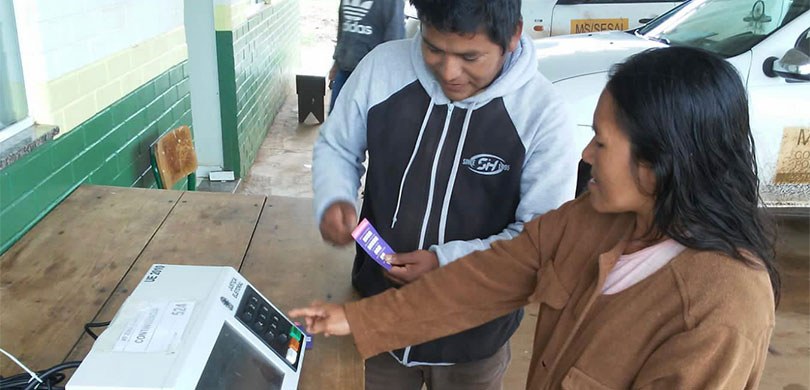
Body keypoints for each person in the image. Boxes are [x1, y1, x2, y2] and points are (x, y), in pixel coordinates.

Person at [295, 46, 780, 389]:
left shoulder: (722, 308)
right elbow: (483, 280)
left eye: (602, 143)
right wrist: (357, 320)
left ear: (659, 164)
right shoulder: (588, 222)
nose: (586, 155)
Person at [312, 0, 579, 388]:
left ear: (514, 34)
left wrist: (445, 262)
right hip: (378, 319)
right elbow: (338, 146)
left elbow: (540, 236)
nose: (449, 72)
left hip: (473, 338)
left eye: (470, 56)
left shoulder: (542, 114)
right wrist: (335, 195)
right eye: (433, 48)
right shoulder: (383, 68)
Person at [329, 0, 404, 113]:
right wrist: (336, 62)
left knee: (365, 124)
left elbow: (395, 39)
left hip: (372, 79)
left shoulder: (392, 2)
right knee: (334, 122)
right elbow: (342, 28)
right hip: (344, 71)